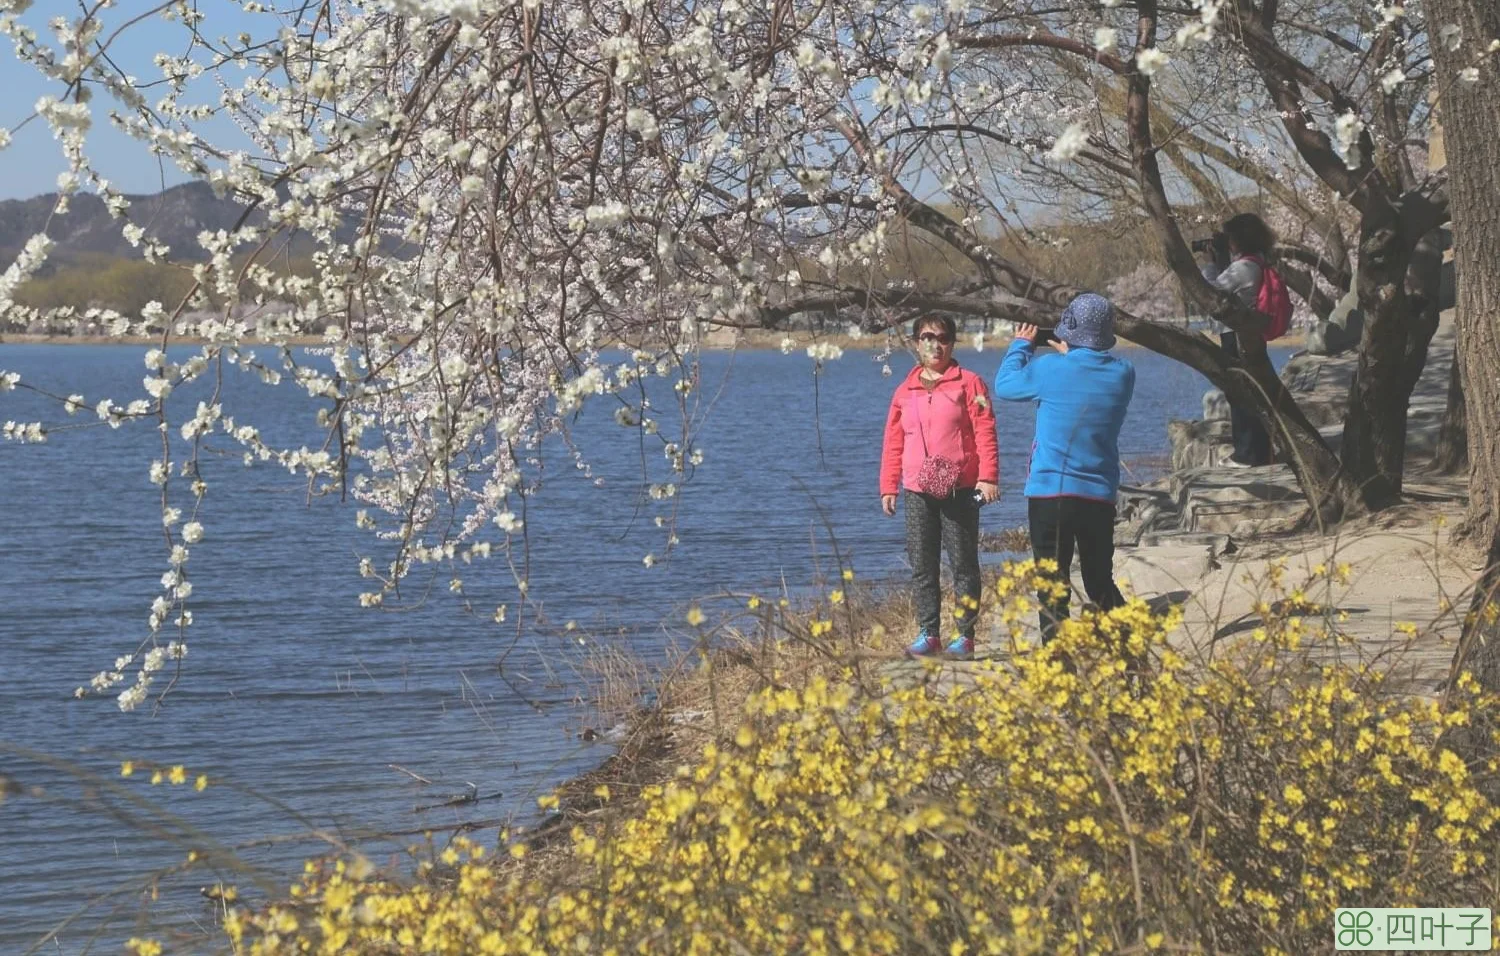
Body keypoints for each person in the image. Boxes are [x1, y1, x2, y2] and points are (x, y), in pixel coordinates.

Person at [993, 293, 1134, 644]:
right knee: (1099, 579)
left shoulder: (1047, 369)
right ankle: (1129, 643)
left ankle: (1059, 664)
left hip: (1050, 493)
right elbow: (1087, 373)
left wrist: (1021, 346)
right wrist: (1072, 354)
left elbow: (1005, 386)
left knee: (1053, 587)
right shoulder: (1123, 374)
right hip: (1098, 495)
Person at [879, 314, 1000, 660]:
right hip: (917, 488)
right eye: (928, 337)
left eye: (943, 337)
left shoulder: (971, 384)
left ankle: (965, 636)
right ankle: (928, 633)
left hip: (962, 488)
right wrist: (888, 485)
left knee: (963, 562)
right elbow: (893, 442)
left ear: (952, 342)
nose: (936, 344)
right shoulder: (904, 391)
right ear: (917, 343)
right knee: (922, 563)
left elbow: (985, 430)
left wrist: (988, 477)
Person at [1199, 212, 1276, 467]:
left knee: (1240, 392)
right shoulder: (1257, 261)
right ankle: (1256, 451)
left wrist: (1210, 264)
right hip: (1245, 334)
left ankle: (1247, 455)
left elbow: (1209, 293)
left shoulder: (1244, 268)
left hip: (1236, 335)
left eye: (1230, 238)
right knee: (1247, 391)